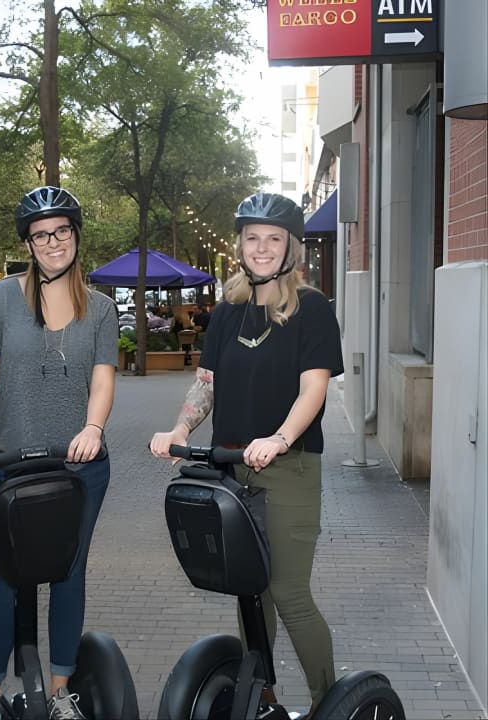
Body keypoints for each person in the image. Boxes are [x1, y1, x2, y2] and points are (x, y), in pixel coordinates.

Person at [150, 192, 343, 719]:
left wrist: (279, 439)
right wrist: (180, 427)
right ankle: (263, 701)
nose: (261, 248)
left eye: (273, 238)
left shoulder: (313, 309)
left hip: (290, 469)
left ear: (291, 249)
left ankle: (332, 702)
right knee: (250, 592)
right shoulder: (230, 311)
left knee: (287, 591)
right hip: (233, 469)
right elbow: (206, 385)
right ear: (240, 245)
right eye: (252, 238)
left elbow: (313, 391)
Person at [0, 186, 118, 720]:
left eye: (62, 231)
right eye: (41, 235)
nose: (53, 242)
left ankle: (59, 693)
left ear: (75, 235)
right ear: (29, 243)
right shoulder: (2, 297)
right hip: (14, 462)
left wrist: (94, 427)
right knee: (7, 577)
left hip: (79, 467)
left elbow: (103, 380)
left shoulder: (100, 308)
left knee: (69, 573)